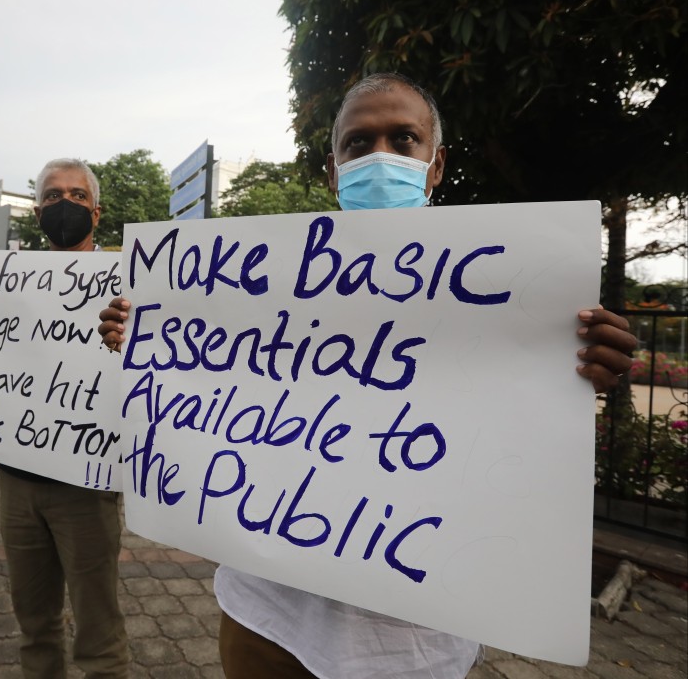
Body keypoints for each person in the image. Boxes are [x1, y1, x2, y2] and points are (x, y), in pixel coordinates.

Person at [97, 73, 638, 679]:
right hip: (265, 615)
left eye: (404, 139)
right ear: (333, 169)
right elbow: (210, 378)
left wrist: (579, 368)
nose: (380, 157)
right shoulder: (259, 278)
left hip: (414, 643)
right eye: (358, 144)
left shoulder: (511, 290)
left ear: (435, 165)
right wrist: (148, 338)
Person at [0, 159, 130, 679]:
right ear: (38, 212)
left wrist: (130, 337)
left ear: (97, 213)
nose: (66, 205)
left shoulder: (128, 282)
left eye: (78, 196)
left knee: (98, 634)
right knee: (34, 626)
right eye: (54, 196)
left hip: (87, 485)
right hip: (16, 481)